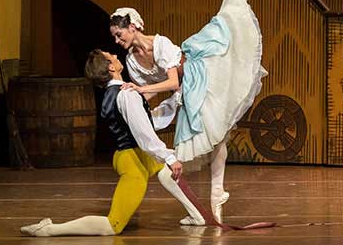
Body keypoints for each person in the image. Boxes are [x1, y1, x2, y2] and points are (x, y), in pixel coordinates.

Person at [109, 0, 276, 224]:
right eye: (115, 37)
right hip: (185, 93)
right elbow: (163, 89)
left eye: (119, 34)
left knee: (231, 7)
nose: (117, 40)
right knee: (216, 138)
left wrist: (145, 92)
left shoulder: (159, 44)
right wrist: (147, 103)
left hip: (202, 70)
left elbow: (171, 80)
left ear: (132, 27)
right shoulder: (132, 62)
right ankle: (214, 200)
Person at [20, 50, 205, 237]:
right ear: (110, 67)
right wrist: (169, 156)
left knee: (165, 170)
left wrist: (174, 99)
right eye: (111, 56)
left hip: (131, 154)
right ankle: (50, 229)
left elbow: (147, 123)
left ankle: (196, 216)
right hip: (133, 161)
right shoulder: (126, 94)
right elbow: (145, 134)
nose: (116, 56)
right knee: (113, 225)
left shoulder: (113, 93)